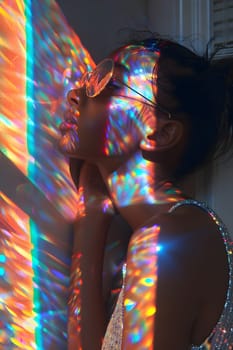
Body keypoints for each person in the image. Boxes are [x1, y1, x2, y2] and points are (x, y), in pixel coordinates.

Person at [59, 37, 233, 349]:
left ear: (159, 133)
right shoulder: (169, 231)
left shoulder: (165, 242)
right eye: (90, 78)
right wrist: (90, 220)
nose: (75, 95)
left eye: (106, 84)